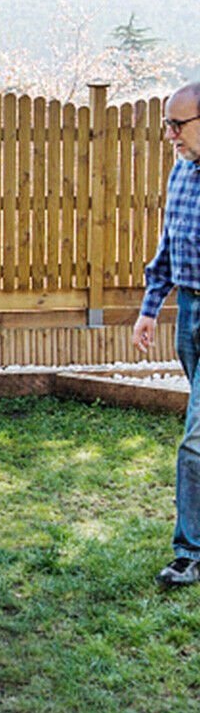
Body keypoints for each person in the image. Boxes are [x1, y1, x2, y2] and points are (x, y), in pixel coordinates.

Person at [133, 81, 200, 589]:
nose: (171, 134)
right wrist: (150, 310)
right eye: (167, 125)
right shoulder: (180, 172)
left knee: (194, 439)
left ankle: (189, 553)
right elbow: (168, 249)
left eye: (179, 125)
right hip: (189, 313)